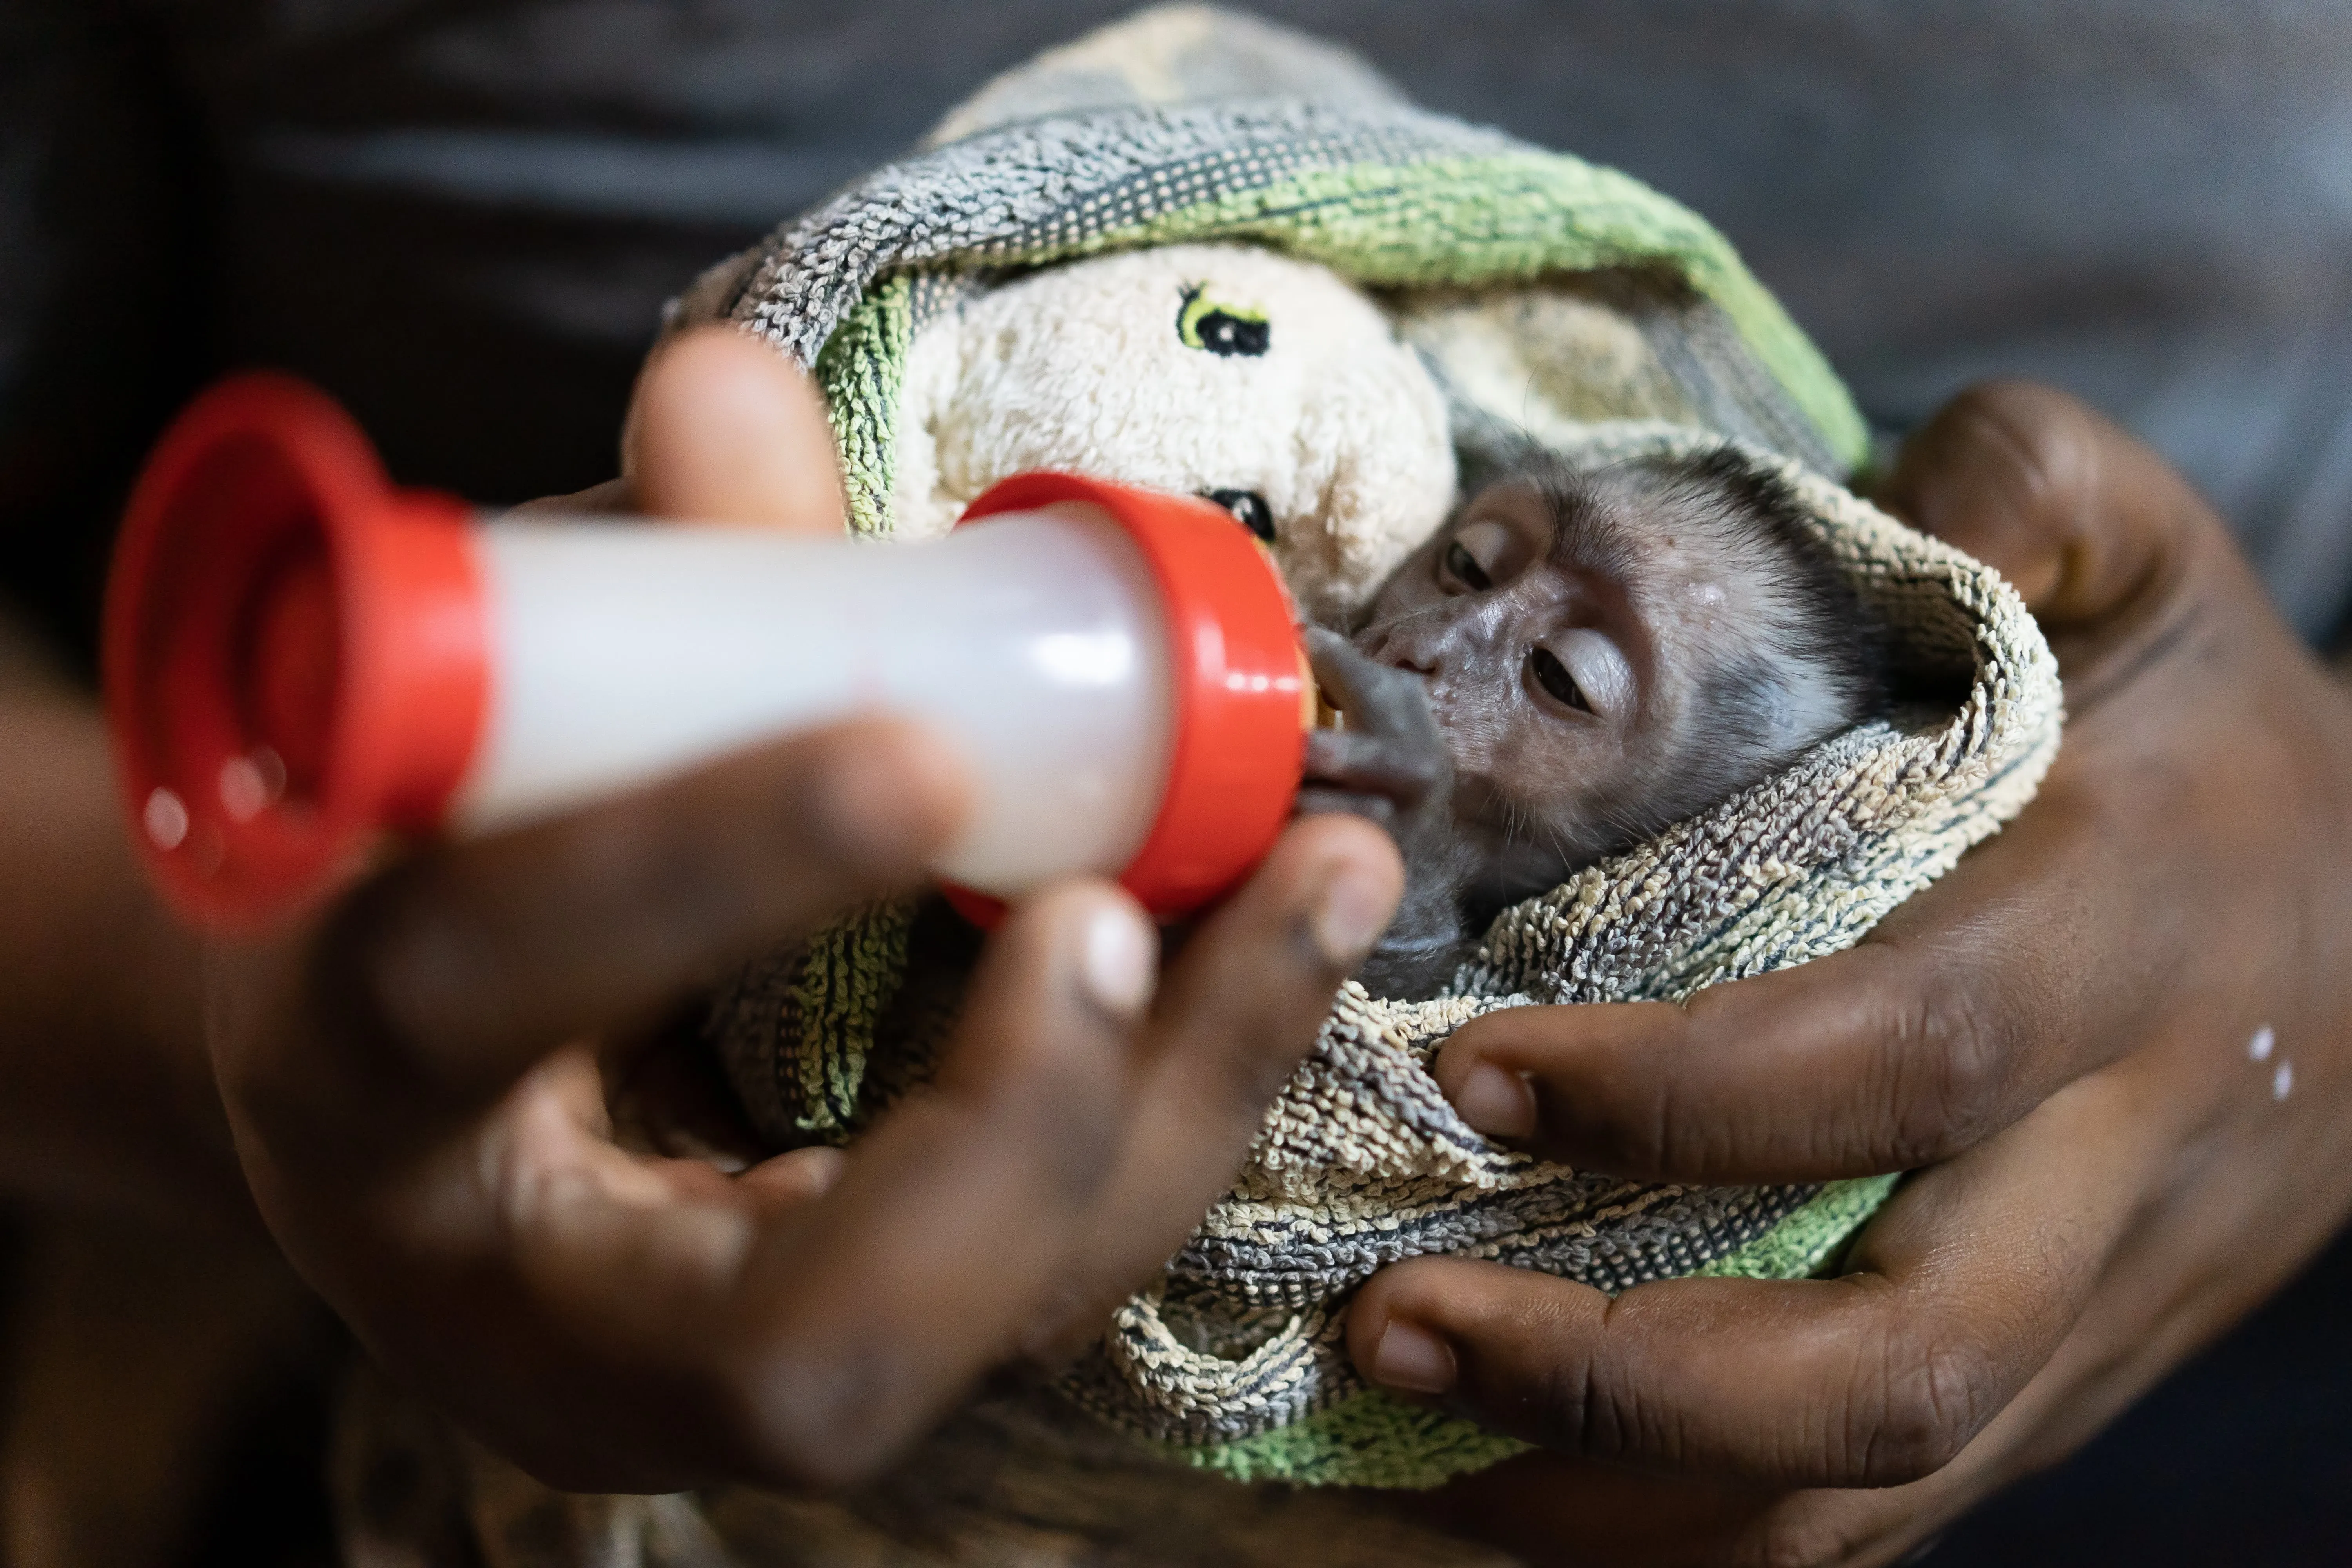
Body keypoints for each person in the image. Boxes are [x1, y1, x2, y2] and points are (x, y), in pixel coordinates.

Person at [4, 4, 2350, 1564]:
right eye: (1483, 558)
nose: (1424, 634)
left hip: (2140, 1252)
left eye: (1554, 668)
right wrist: (234, 1049)